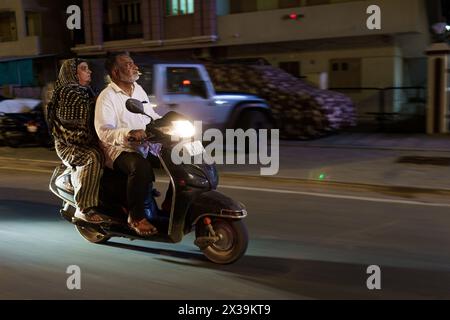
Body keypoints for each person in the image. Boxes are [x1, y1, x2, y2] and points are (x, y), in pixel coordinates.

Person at [94, 52, 161, 236]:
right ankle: (136, 217)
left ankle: (172, 204)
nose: (134, 66)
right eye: (128, 64)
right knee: (140, 167)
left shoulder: (138, 90)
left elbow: (150, 115)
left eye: (133, 63)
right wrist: (130, 134)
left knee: (179, 157)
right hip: (117, 150)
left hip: (142, 145)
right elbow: (104, 131)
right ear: (116, 72)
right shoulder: (107, 97)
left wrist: (167, 124)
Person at [48, 58, 106, 223]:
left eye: (88, 68)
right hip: (70, 145)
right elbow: (73, 132)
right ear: (72, 73)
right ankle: (84, 208)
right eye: (83, 69)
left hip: (87, 140)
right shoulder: (68, 93)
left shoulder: (85, 91)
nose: (89, 72)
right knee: (92, 157)